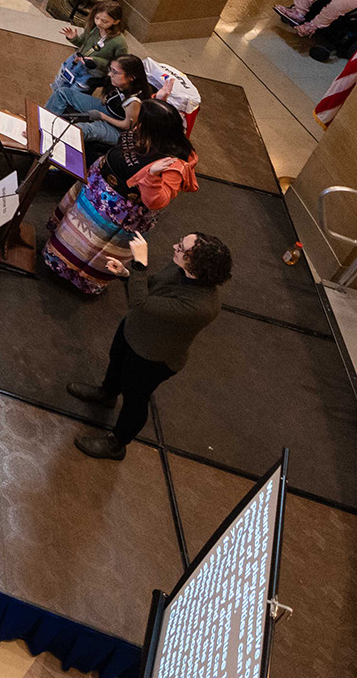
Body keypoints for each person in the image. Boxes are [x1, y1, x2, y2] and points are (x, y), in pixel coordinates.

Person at [70, 232, 233, 459]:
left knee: (135, 400)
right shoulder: (178, 268)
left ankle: (117, 444)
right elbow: (150, 288)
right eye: (180, 240)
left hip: (152, 357)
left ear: (196, 264)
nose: (175, 245)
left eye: (181, 248)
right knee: (116, 361)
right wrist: (127, 275)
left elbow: (141, 302)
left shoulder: (201, 307)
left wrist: (138, 264)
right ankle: (107, 394)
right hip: (134, 330)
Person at [40, 100, 198, 297]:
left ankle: (80, 281)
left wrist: (152, 175)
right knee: (74, 232)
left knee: (91, 248)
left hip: (118, 213)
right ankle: (55, 256)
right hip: (97, 190)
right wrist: (161, 96)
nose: (138, 124)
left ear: (154, 128)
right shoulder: (150, 131)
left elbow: (157, 202)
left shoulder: (174, 164)